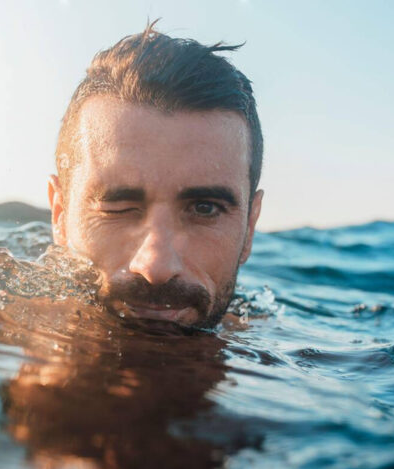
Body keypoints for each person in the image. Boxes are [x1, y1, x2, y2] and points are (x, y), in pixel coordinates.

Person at [47, 21, 264, 330]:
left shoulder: (302, 365)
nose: (156, 268)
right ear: (59, 215)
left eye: (205, 208)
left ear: (250, 226)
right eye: (118, 208)